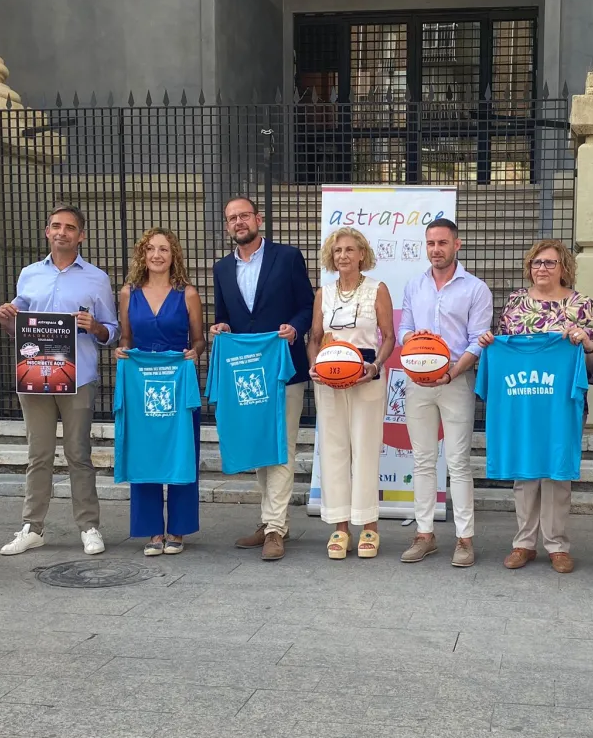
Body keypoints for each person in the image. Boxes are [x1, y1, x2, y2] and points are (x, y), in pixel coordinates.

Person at [0, 205, 119, 556]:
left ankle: (89, 526)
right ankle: (32, 527)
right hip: (35, 375)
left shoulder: (97, 278)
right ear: (47, 232)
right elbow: (18, 325)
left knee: (79, 453)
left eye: (69, 227)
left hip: (78, 376)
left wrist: (96, 327)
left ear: (81, 236)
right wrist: (6, 318)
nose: (62, 232)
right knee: (38, 454)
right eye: (56, 226)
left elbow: (112, 330)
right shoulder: (29, 274)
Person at [478, 240, 593, 574]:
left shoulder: (580, 305)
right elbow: (504, 347)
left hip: (562, 404)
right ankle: (524, 543)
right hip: (522, 402)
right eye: (536, 262)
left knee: (557, 473)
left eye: (549, 262)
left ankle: (557, 545)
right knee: (525, 472)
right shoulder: (516, 302)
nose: (542, 268)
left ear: (564, 267)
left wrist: (585, 342)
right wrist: (490, 344)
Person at [210, 197, 315, 561]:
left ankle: (274, 528)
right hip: (246, 372)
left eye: (244, 215)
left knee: (281, 445)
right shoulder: (222, 268)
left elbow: (307, 305)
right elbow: (225, 316)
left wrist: (295, 328)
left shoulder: (287, 257)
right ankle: (270, 519)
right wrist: (221, 327)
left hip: (284, 367)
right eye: (232, 218)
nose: (239, 222)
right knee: (258, 444)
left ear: (258, 219)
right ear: (228, 226)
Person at [398, 218, 493, 568]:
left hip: (456, 380)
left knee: (458, 462)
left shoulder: (476, 289)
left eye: (442, 243)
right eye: (430, 243)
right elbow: (404, 328)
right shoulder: (414, 285)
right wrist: (414, 341)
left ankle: (465, 539)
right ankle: (424, 535)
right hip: (418, 382)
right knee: (423, 461)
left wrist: (451, 372)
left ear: (457, 244)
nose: (435, 249)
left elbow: (478, 341)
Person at [116, 228, 206, 556]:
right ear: (142, 254)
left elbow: (199, 340)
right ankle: (152, 529)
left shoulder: (188, 294)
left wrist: (194, 353)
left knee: (183, 453)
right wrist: (121, 351)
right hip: (142, 385)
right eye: (151, 249)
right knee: (145, 452)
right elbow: (126, 338)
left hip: (178, 384)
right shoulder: (128, 293)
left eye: (164, 249)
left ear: (173, 255)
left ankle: (178, 529)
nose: (157, 255)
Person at [307, 227, 395, 560]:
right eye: (337, 250)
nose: (343, 255)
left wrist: (375, 367)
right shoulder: (324, 293)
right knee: (334, 452)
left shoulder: (377, 289)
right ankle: (340, 527)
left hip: (365, 378)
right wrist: (314, 367)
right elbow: (315, 338)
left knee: (365, 450)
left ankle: (369, 526)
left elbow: (389, 336)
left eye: (349, 250)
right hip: (329, 381)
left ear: (361, 255)